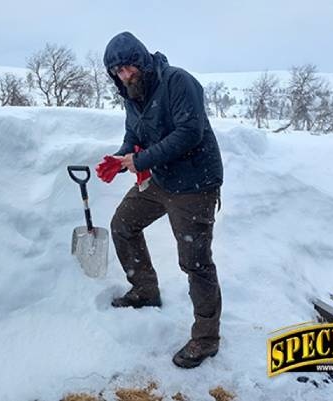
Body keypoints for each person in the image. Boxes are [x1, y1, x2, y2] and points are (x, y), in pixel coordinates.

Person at [97, 31, 224, 369]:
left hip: (196, 183)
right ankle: (145, 290)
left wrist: (140, 161)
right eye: (117, 72)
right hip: (162, 178)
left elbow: (189, 133)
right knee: (123, 225)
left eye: (128, 68)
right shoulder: (131, 94)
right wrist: (121, 156)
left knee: (195, 261)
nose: (124, 76)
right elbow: (134, 133)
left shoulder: (178, 82)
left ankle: (207, 338)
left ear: (140, 61)